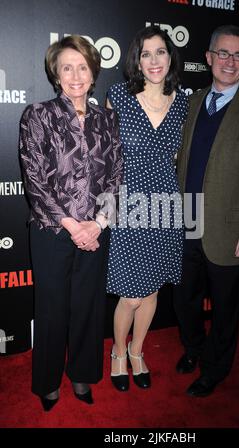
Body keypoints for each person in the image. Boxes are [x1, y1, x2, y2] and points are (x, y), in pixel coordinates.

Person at [173, 25, 239, 397]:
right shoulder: (189, 102)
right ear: (208, 58)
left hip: (230, 230)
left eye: (237, 55)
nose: (229, 61)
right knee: (184, 298)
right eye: (223, 53)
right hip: (185, 221)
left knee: (224, 309)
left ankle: (215, 369)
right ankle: (193, 349)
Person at [19, 35, 123, 411]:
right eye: (67, 67)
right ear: (56, 74)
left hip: (97, 231)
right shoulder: (38, 115)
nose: (75, 75)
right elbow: (34, 179)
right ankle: (47, 382)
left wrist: (97, 223)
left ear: (93, 72)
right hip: (52, 231)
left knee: (88, 306)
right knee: (51, 308)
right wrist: (72, 225)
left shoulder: (107, 118)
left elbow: (115, 175)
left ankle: (82, 374)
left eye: (83, 66)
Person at [106, 25, 188, 392]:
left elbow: (178, 156)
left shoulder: (184, 101)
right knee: (130, 291)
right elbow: (105, 158)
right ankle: (118, 353)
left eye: (160, 52)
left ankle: (138, 351)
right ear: (136, 60)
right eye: (146, 53)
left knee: (152, 290)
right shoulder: (118, 96)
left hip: (165, 203)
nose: (154, 60)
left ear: (170, 58)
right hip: (128, 201)